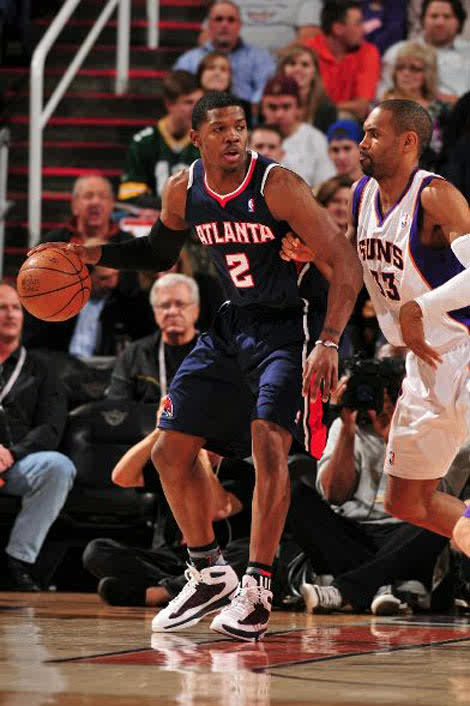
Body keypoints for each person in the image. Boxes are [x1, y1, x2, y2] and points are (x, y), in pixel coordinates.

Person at [29, 91, 363, 641]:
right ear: (196, 137)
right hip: (232, 324)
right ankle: (208, 570)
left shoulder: (277, 185)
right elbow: (159, 253)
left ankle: (258, 588)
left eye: (240, 127)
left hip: (289, 325)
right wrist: (93, 253)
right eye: (221, 129)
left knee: (268, 442)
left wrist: (329, 340)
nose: (234, 136)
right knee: (169, 450)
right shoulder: (183, 188)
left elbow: (345, 261)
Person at [281, 97, 470, 573]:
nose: (362, 143)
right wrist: (315, 256)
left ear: (407, 142)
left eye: (373, 134)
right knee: (407, 501)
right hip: (423, 364)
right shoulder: (362, 193)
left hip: (464, 348)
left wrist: (421, 307)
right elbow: (352, 270)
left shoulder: (435, 196)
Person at [290, 358, 449, 615]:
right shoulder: (344, 426)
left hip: (401, 532)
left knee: (442, 520)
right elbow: (334, 495)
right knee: (294, 494)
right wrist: (347, 428)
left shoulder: (422, 426)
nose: (372, 401)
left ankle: (342, 592)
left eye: (380, 394)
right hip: (352, 533)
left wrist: (392, 438)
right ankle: (384, 585)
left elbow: (427, 497)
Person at [0, 283, 76, 591]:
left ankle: (18, 561)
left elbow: (51, 428)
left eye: (15, 308)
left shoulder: (43, 369)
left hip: (17, 463)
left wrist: (11, 454)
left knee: (58, 467)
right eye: (2, 308)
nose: (10, 314)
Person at [23, 265, 155, 357]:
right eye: (103, 278)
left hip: (104, 370)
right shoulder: (58, 301)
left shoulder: (128, 305)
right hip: (63, 366)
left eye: (115, 276)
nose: (112, 284)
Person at [107, 273, 200, 403]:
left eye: (180, 304)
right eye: (165, 305)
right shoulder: (134, 355)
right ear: (155, 312)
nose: (172, 312)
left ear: (196, 310)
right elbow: (117, 408)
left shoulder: (216, 354)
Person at [118, 71, 202, 210]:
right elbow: (130, 196)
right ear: (169, 104)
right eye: (188, 102)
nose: (196, 109)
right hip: (152, 217)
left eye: (199, 102)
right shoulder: (143, 143)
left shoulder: (207, 141)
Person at [173, 1, 275, 108]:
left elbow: (267, 90)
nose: (224, 25)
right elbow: (178, 95)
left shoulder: (260, 58)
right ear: (208, 24)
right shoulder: (188, 61)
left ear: (240, 25)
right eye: (218, 19)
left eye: (231, 20)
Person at [303, 0, 381, 121]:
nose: (363, 29)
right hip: (309, 119)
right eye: (358, 24)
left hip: (351, 122)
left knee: (343, 118)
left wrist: (324, 109)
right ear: (338, 29)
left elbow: (361, 107)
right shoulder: (308, 51)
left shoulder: (368, 52)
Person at [380, 0, 470, 104]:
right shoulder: (397, 51)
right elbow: (384, 95)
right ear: (422, 20)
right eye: (434, 16)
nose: (439, 22)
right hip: (407, 109)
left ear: (459, 22)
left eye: (447, 16)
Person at [381, 41, 450, 168]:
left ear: (428, 74)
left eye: (414, 69)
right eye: (400, 67)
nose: (406, 73)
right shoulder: (381, 106)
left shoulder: (440, 109)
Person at [261, 75, 335, 188]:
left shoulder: (315, 139)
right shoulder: (252, 139)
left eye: (286, 107)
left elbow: (326, 184)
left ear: (299, 109)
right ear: (262, 109)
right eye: (272, 107)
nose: (279, 114)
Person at [277, 45, 337, 134]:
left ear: (314, 72)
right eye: (292, 64)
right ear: (283, 69)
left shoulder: (326, 109)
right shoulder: (270, 102)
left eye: (305, 65)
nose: (298, 69)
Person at [196, 51, 252, 127]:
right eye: (211, 68)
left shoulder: (243, 108)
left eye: (223, 69)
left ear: (230, 78)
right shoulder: (188, 104)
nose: (217, 73)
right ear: (200, 74)